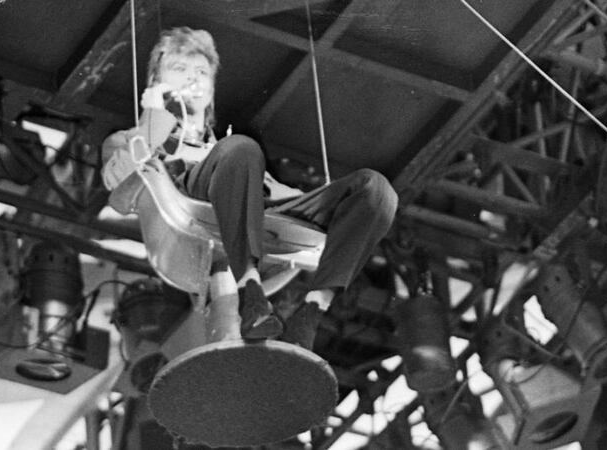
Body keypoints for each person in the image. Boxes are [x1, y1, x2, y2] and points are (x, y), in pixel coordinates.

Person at [101, 27, 397, 351]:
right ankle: (250, 291)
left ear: (212, 90)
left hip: (262, 203)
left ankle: (313, 308)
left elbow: (276, 190)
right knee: (240, 149)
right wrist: (154, 119)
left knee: (375, 190)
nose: (193, 79)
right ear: (155, 83)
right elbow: (119, 192)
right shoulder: (131, 138)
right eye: (179, 69)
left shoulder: (227, 144)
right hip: (196, 199)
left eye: (202, 72)